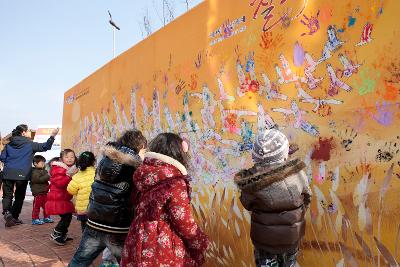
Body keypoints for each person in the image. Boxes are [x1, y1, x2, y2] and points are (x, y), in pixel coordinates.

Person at [121, 133, 209, 267]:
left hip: (138, 236)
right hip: (162, 243)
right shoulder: (174, 182)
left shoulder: (142, 173)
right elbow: (183, 222)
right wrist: (200, 241)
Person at [234, 129, 312, 267]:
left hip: (264, 241)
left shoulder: (252, 183)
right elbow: (307, 196)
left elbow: (246, 203)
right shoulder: (298, 173)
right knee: (290, 263)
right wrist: (297, 214)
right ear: (284, 154)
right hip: (292, 237)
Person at [68, 130, 147, 267]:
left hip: (94, 222)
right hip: (118, 229)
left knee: (79, 260)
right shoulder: (136, 168)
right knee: (129, 262)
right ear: (140, 147)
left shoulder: (104, 161)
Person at [0, 124, 59, 227]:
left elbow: (2, 157)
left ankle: (7, 212)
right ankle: (14, 217)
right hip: (22, 174)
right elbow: (46, 146)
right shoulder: (30, 144)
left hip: (8, 173)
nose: (29, 133)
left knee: (7, 195)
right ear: (23, 132)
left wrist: (11, 163)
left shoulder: (9, 144)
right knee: (19, 196)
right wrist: (52, 136)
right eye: (28, 131)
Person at [45, 149, 78, 245]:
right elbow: (60, 183)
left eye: (72, 157)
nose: (70, 159)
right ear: (61, 159)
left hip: (63, 197)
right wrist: (69, 175)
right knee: (66, 217)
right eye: (67, 157)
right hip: (57, 197)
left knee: (67, 216)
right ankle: (56, 233)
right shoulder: (58, 168)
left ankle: (62, 234)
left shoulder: (69, 168)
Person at [67, 151, 96, 232]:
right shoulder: (97, 174)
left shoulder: (77, 176)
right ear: (93, 162)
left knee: (85, 230)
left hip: (83, 209)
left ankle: (85, 243)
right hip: (96, 208)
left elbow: (71, 190)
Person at [30, 155, 54, 225]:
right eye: (41, 163)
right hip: (38, 193)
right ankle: (35, 219)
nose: (43, 164)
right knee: (36, 207)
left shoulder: (44, 171)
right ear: (35, 164)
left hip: (44, 192)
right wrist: (48, 176)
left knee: (46, 206)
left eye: (44, 162)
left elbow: (48, 178)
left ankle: (46, 217)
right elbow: (37, 179)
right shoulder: (34, 172)